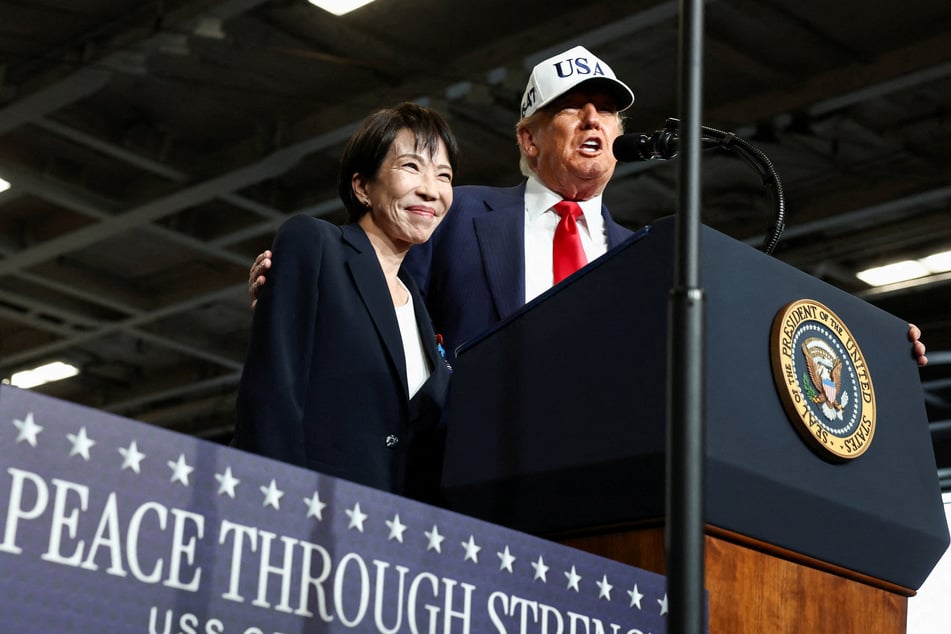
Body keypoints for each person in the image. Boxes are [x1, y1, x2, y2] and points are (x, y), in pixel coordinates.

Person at [248, 46, 929, 367]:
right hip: (470, 472)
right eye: (570, 109)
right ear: (528, 136)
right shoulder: (458, 213)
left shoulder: (649, 256)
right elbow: (379, 293)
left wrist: (870, 349)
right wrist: (303, 288)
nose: (591, 119)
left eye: (605, 111)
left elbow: (736, 346)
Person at [233, 102, 456, 504]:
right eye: (411, 167)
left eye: (444, 175)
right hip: (307, 513)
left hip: (394, 534)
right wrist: (270, 505)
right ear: (361, 187)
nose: (431, 189)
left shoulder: (419, 305)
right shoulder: (315, 245)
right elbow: (271, 393)